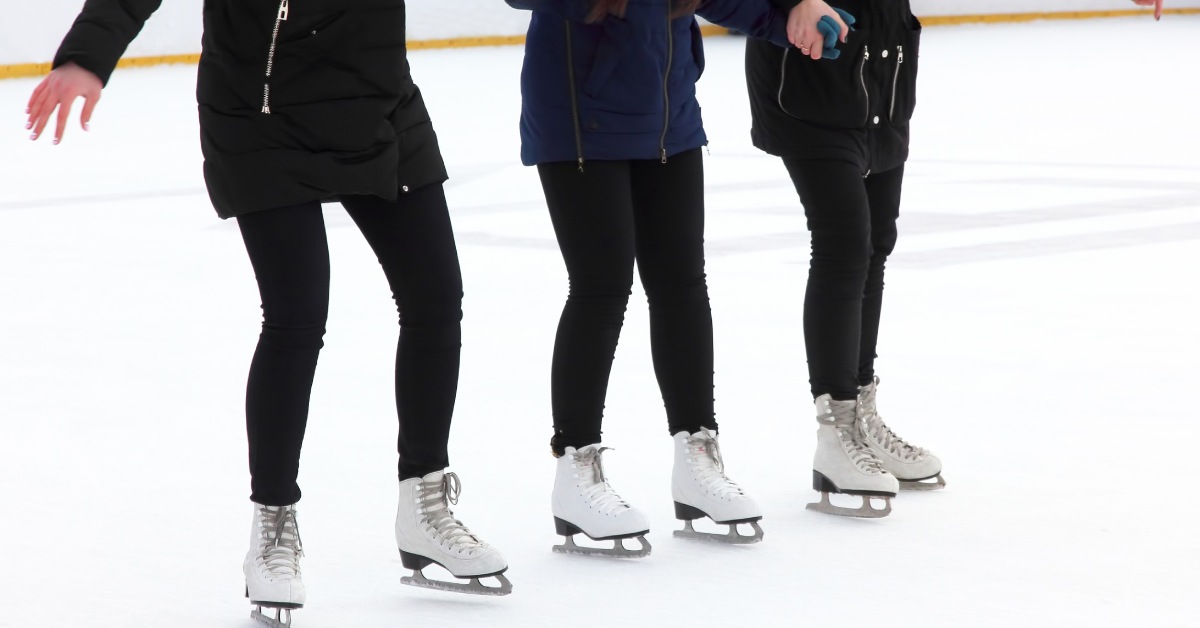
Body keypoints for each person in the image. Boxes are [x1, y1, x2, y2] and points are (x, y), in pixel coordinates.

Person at [25, 0, 512, 620]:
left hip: (376, 96)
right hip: (261, 112)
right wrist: (87, 58)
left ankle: (426, 506)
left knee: (436, 296)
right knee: (298, 315)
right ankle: (274, 523)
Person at [504, 0, 809, 555]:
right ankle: (576, 469)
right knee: (601, 288)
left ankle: (697, 455)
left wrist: (790, 14)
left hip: (669, 115)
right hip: (580, 117)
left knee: (682, 284)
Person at [744, 0, 944, 519]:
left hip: (883, 77)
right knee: (844, 245)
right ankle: (835, 431)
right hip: (813, 80)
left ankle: (861, 415)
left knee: (875, 245)